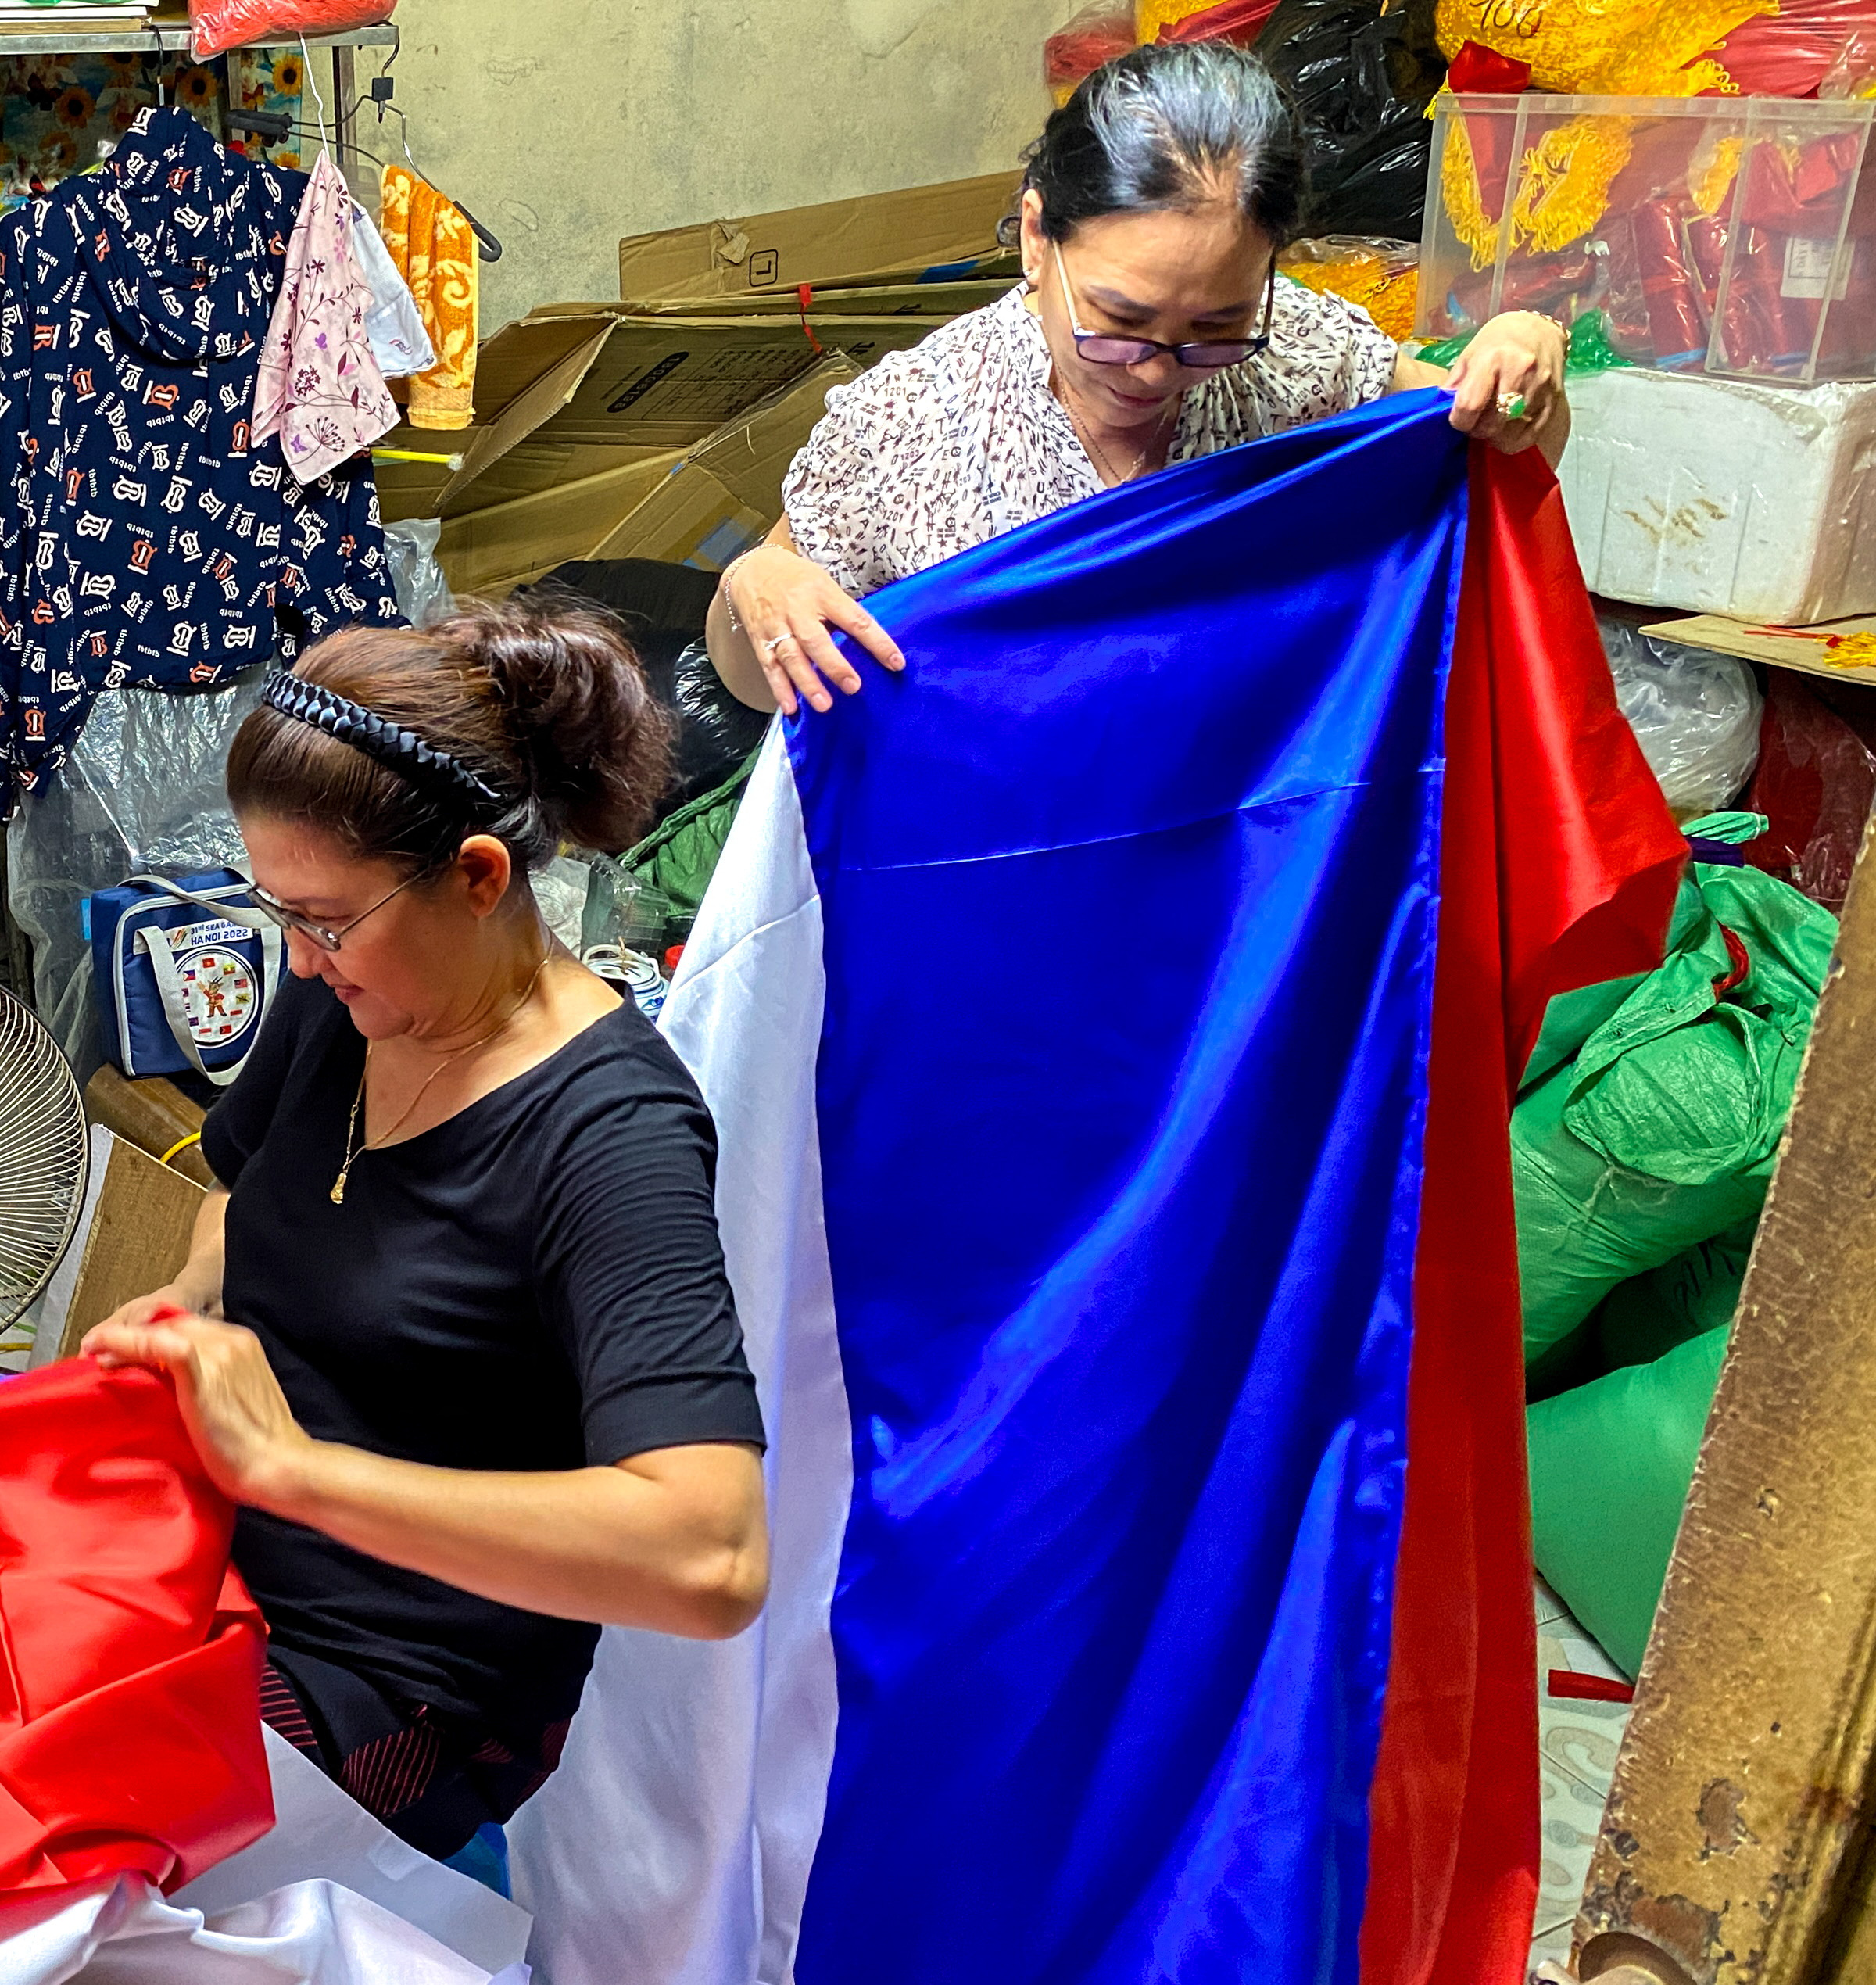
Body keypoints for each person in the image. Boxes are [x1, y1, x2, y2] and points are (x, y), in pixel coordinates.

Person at [84, 605, 769, 1869]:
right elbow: (245, 1193)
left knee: (20, 1816)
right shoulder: (359, 994)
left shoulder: (610, 1134)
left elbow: (712, 1554)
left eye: (325, 919)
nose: (297, 961)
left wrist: (292, 1469)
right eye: (280, 911)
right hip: (224, 1560)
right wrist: (188, 1302)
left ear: (480, 876)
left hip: (401, 1690)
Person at [711, 40, 1575, 714]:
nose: (1158, 372)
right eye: (1120, 323)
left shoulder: (1298, 358)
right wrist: (753, 584)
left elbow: (1496, 459)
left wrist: (1519, 362)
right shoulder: (908, 425)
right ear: (1037, 237)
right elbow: (754, 676)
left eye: (1215, 329)